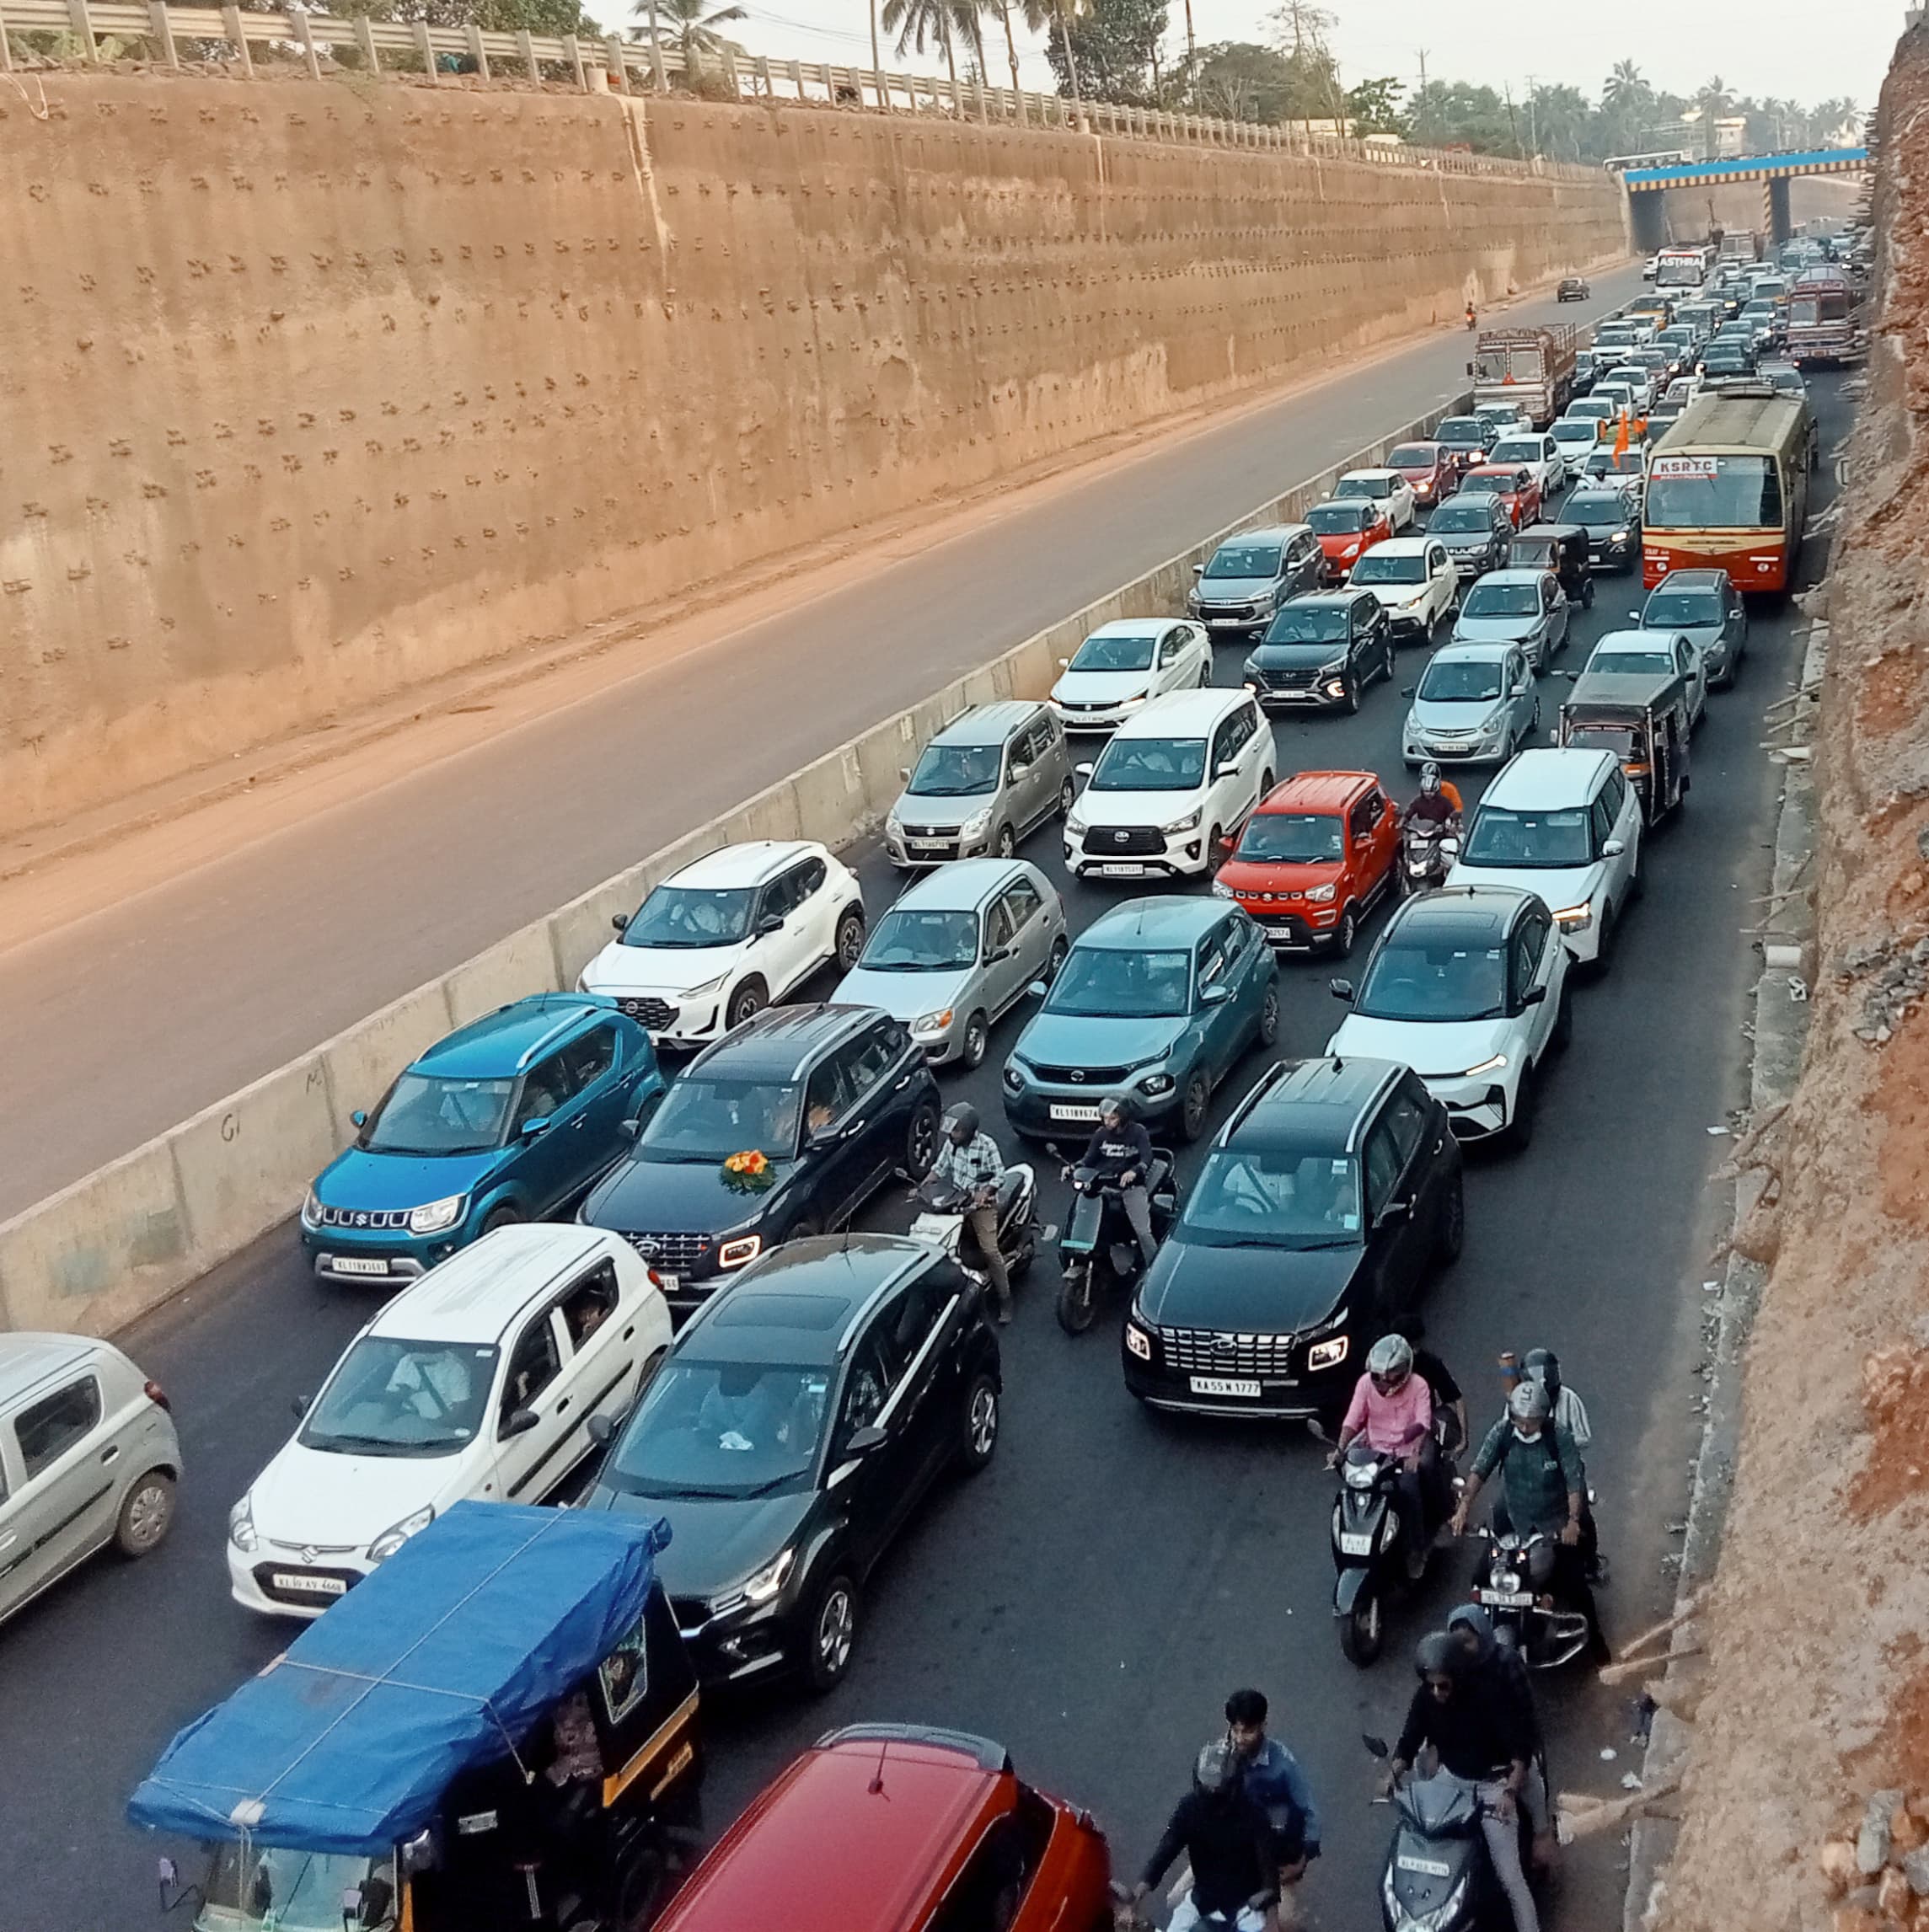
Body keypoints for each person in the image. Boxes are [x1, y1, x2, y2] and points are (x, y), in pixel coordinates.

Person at [1386, 1632, 1537, 1932]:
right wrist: (1392, 1774)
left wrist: (1509, 1792)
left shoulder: (1490, 1696)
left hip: (1491, 1787)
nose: (1437, 1692)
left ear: (1459, 1676)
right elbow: (1409, 1741)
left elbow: (1520, 1753)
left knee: (1511, 1878)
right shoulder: (1425, 1698)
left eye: (1443, 1685)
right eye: (1430, 1685)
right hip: (1451, 1782)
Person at [1453, 1382, 1608, 1662]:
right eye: (1519, 1420)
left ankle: (1596, 1643)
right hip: (1514, 1522)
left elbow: (1574, 1481)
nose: (1525, 1427)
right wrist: (1464, 1507)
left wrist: (1573, 1521)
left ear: (1544, 1417)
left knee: (1576, 1585)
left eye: (1532, 1421)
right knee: (1480, 1579)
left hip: (1554, 1524)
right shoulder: (1502, 1433)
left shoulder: (1559, 1438)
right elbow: (1480, 1468)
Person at [1130, 1740, 1278, 1932]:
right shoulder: (1188, 1808)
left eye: (1217, 1790)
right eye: (1207, 1788)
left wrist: (1272, 1920)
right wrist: (1138, 1895)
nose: (1212, 1794)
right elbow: (1166, 1851)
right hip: (1201, 1900)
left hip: (1246, 1907)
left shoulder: (1255, 1814)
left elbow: (1268, 1868)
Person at [1449, 1604, 1553, 1866]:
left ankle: (1542, 1834)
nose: (1462, 1649)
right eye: (1457, 1643)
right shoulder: (1452, 1667)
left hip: (1510, 1741)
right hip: (1473, 1745)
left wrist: (1521, 1752)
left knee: (1530, 1779)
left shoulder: (1507, 1663)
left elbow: (1525, 1711)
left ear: (1483, 1637)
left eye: (1468, 1641)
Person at [1327, 1333, 1435, 1567]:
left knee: (1409, 1490)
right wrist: (1340, 1448)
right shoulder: (1365, 1384)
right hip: (1373, 1454)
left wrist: (1414, 1452)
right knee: (1350, 1493)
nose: (1382, 1382)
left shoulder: (1419, 1386)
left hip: (1403, 1455)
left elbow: (1422, 1422)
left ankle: (1416, 1549)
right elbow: (1353, 1419)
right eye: (1377, 1377)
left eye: (1389, 1376)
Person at [1224, 1689, 1319, 1919]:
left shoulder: (1284, 1766)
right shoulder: (1222, 1757)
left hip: (1275, 1857)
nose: (1239, 1739)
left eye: (1248, 1731)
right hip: (1233, 1849)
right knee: (1176, 1897)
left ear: (1263, 1726)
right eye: (1235, 1730)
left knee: (1286, 1922)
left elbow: (1311, 1813)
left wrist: (1302, 1861)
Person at [930, 1102, 1014, 1323]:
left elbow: (999, 1175)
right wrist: (922, 1187)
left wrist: (985, 1192)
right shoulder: (951, 1145)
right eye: (951, 1130)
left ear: (968, 1130)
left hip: (980, 1206)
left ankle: (1005, 1300)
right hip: (955, 1201)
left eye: (957, 1131)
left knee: (990, 1251)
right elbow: (939, 1169)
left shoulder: (986, 1146)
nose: (952, 1134)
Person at [1069, 1094, 1158, 1268]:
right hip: (1105, 1186)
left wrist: (1134, 1171)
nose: (1107, 1122)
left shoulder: (1138, 1132)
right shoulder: (1101, 1134)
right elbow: (1088, 1159)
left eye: (1112, 1118)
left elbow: (1147, 1157)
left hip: (1131, 1188)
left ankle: (1154, 1267)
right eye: (1105, 1118)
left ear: (1123, 1117)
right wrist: (1073, 1167)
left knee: (1143, 1231)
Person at [1405, 761, 1464, 827]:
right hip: (1425, 826)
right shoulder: (1422, 796)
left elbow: (1458, 809)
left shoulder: (1449, 789)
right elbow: (1413, 808)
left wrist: (1451, 821)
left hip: (1445, 823)